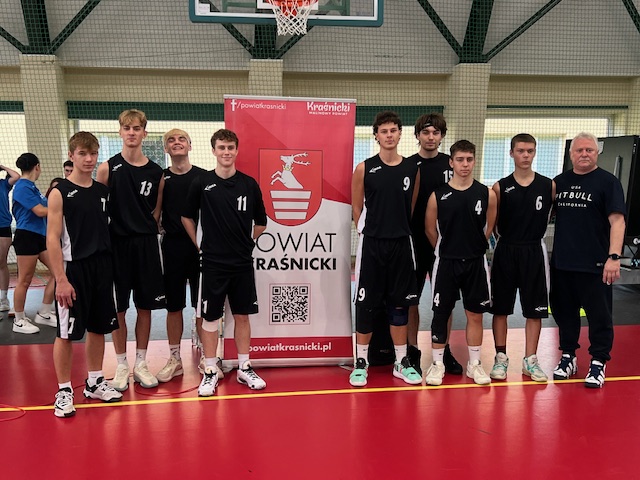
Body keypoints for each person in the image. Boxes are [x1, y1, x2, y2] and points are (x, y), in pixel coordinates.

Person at [182, 128, 267, 396]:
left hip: (241, 262)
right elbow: (186, 216)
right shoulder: (201, 182)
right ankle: (210, 369)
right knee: (210, 317)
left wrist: (246, 242)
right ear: (214, 151)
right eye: (222, 147)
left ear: (236, 150)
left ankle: (244, 366)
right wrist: (199, 244)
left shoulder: (249, 184)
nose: (226, 152)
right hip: (212, 263)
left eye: (230, 147)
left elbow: (261, 222)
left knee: (242, 315)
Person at [48, 132, 122, 418]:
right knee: (66, 332)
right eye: (83, 153)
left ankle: (94, 382)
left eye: (93, 153)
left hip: (102, 267)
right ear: (72, 155)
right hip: (73, 268)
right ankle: (64, 390)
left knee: (99, 327)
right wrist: (61, 279)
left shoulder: (103, 192)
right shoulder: (60, 192)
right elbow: (52, 238)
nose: (89, 159)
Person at [350, 111, 422, 388]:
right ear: (376, 136)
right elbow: (357, 207)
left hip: (401, 244)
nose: (389, 135)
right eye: (384, 131)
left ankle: (401, 362)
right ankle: (361, 362)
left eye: (393, 130)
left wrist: (395, 226)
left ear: (400, 134)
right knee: (366, 304)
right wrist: (370, 231)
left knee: (399, 304)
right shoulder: (364, 168)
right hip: (372, 245)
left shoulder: (411, 169)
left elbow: (410, 205)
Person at [96, 109, 165, 391]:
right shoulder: (107, 168)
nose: (132, 132)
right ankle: (122, 364)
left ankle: (141, 363)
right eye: (127, 128)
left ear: (144, 133)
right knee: (119, 309)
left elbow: (157, 212)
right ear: (120, 132)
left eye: (137, 128)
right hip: (117, 246)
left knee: (145, 306)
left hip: (146, 246)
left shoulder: (157, 172)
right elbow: (98, 210)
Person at [550, 132, 626, 388]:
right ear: (571, 154)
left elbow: (618, 221)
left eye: (589, 150)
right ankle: (568, 356)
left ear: (597, 153)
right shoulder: (559, 182)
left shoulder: (608, 182)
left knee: (599, 316)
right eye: (579, 150)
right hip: (562, 263)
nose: (584, 154)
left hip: (596, 265)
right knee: (564, 313)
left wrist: (614, 257)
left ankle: (598, 361)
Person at [424, 140, 497, 386]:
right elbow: (430, 230)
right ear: (451, 162)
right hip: (446, 263)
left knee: (475, 314)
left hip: (475, 263)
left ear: (474, 161)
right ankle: (437, 364)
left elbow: (489, 227)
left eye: (469, 159)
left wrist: (473, 246)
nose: (465, 164)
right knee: (441, 314)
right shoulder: (438, 195)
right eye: (460, 160)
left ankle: (474, 364)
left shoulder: (487, 194)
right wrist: (447, 250)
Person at [489, 134, 555, 382]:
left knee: (534, 310)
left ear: (535, 152)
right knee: (500, 309)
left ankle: (530, 360)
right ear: (511, 153)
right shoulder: (499, 187)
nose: (525, 155)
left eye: (529, 151)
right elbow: (493, 223)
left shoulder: (549, 186)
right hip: (506, 250)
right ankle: (500, 358)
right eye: (520, 151)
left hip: (534, 251)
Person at [407, 113, 462, 376]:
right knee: (410, 299)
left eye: (436, 133)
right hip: (414, 243)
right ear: (418, 135)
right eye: (426, 132)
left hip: (444, 244)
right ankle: (411, 350)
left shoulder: (451, 164)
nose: (431, 137)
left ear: (442, 136)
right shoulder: (408, 165)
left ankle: (444, 349)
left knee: (445, 301)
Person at [155, 129, 208, 382]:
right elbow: (155, 212)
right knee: (173, 306)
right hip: (172, 247)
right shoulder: (161, 178)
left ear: (190, 145)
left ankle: (208, 357)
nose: (176, 143)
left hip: (199, 248)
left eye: (181, 139)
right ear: (166, 148)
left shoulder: (203, 177)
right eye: (171, 140)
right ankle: (175, 358)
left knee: (201, 306)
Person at [11, 153, 57, 334]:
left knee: (59, 271)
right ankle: (19, 320)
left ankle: (44, 312)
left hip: (39, 236)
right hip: (27, 236)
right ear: (37, 166)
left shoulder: (32, 187)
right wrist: (63, 208)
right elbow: (39, 211)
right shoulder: (22, 186)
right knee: (25, 280)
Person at [0, 163, 20, 313]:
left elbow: (16, 176)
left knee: (1, 262)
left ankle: (3, 299)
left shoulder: (3, 184)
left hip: (3, 226)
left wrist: (2, 167)